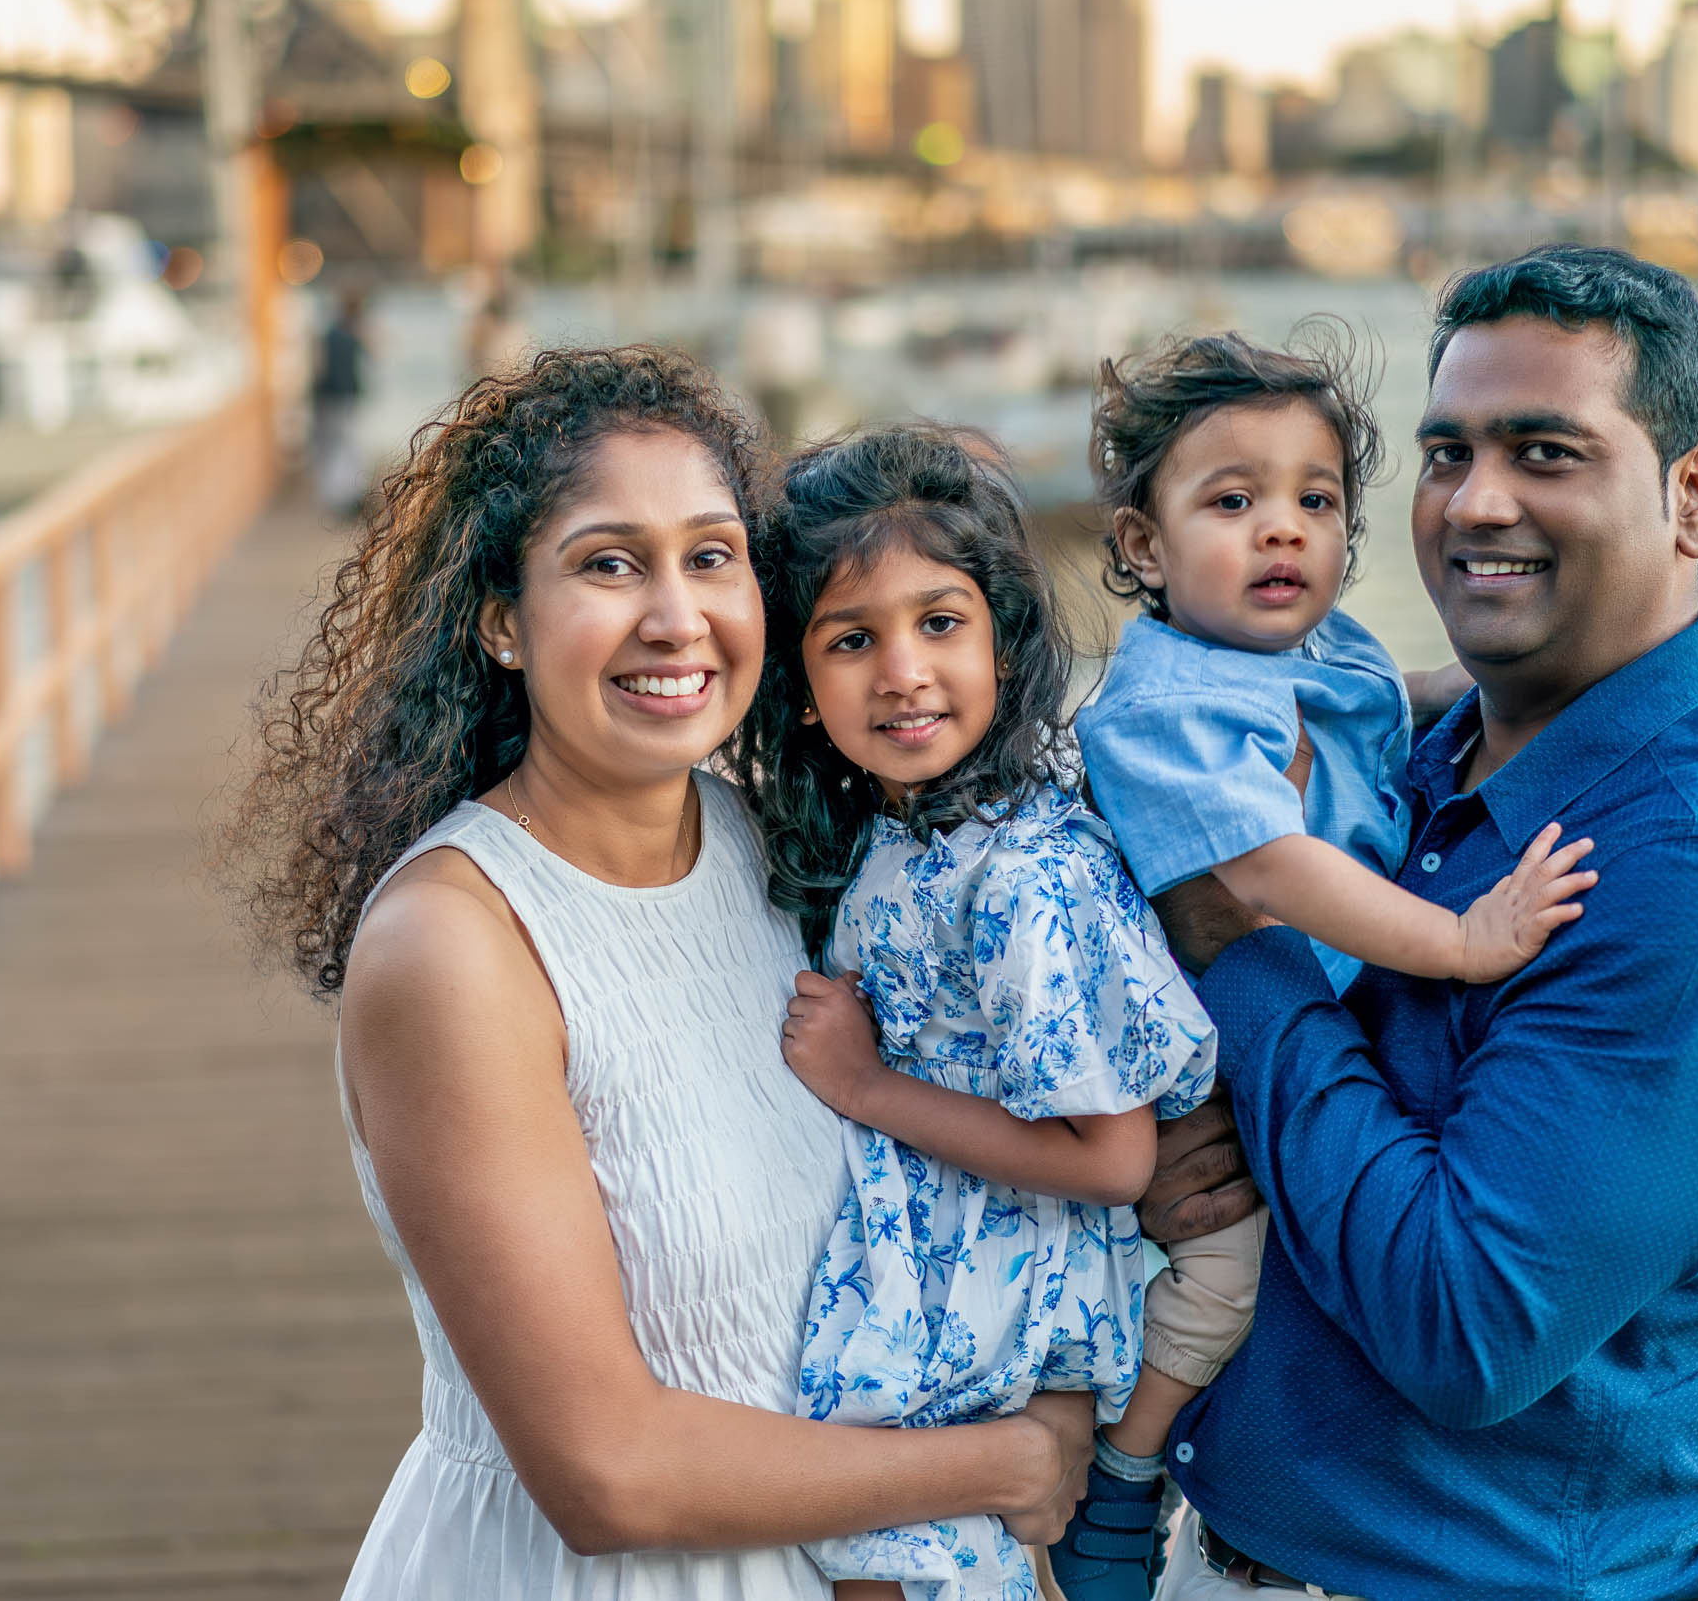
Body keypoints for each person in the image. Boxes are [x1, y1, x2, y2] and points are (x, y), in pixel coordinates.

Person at [221, 347, 1098, 1599]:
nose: (676, 615)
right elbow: (606, 1470)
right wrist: (1002, 1460)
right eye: (608, 563)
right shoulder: (457, 945)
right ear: (499, 621)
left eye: (709, 555)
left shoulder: (761, 842)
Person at [1139, 246, 1698, 1600]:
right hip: (1239, 1547)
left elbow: (1466, 1324)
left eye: (1546, 451)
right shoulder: (1433, 753)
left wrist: (1237, 948)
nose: (1477, 502)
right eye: (1444, 454)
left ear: (1695, 492)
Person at [742, 426, 1244, 1601]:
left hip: (986, 1303)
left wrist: (866, 1088)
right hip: (925, 1278)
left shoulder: (1019, 876)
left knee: (899, 1571)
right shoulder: (906, 826)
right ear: (804, 689)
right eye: (851, 639)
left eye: (939, 622)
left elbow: (1115, 1156)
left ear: (1004, 645)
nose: (901, 671)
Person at [1077, 327, 1595, 997]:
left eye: (1314, 501)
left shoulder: (1279, 641)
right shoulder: (1168, 710)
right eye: (1233, 501)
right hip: (1256, 1019)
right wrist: (1461, 939)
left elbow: (1328, 699)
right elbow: (1270, 868)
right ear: (1145, 545)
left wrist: (1439, 686)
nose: (1284, 527)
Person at [309, 287, 371, 514]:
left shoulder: (333, 332)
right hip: (339, 396)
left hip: (333, 396)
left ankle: (342, 494)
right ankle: (343, 496)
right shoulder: (346, 333)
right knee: (343, 446)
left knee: (338, 446)